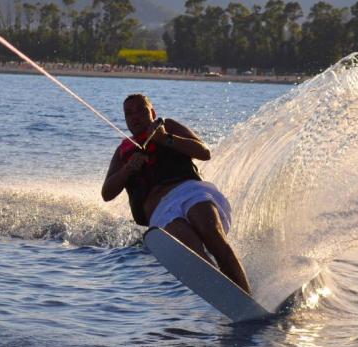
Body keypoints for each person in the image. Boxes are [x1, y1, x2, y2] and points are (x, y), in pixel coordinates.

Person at [101, 93, 251, 294]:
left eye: (141, 110)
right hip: (161, 211)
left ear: (152, 112)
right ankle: (227, 295)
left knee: (212, 233)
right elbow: (107, 193)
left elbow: (204, 152)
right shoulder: (123, 151)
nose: (135, 116)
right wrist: (128, 169)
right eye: (129, 113)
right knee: (191, 247)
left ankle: (245, 293)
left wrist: (166, 139)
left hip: (191, 192)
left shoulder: (168, 127)